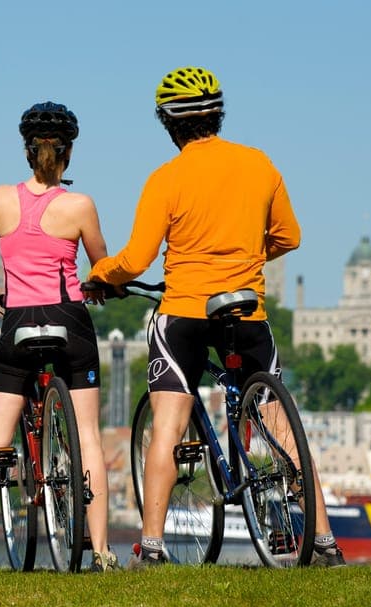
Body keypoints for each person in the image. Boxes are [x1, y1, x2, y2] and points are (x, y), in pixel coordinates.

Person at [88, 67, 346, 567]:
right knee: (279, 421)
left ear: (168, 123)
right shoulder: (260, 165)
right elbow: (289, 237)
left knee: (168, 421)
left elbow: (136, 259)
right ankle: (324, 541)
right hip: (246, 307)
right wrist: (246, 256)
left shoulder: (166, 178)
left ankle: (154, 546)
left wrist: (101, 274)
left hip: (183, 310)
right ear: (218, 115)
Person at [0, 101, 116, 573]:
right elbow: (102, 267)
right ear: (68, 153)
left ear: (27, 152)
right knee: (88, 436)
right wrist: (99, 287)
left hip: (18, 324)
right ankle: (103, 552)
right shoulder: (79, 205)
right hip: (69, 322)